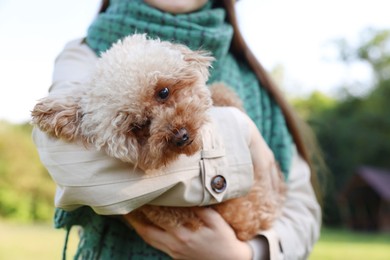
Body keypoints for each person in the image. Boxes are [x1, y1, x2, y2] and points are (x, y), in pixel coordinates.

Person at [32, 0, 321, 259]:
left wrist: (246, 254)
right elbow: (69, 161)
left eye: (164, 93)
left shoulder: (254, 77)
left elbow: (303, 212)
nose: (176, 132)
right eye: (141, 125)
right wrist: (241, 129)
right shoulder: (81, 57)